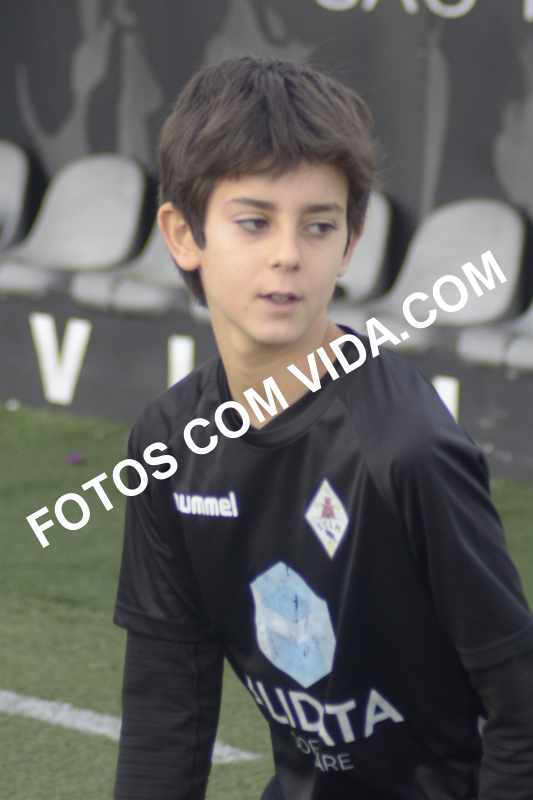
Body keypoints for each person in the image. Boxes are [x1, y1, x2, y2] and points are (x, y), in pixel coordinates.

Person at [112, 56, 533, 799]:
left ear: (349, 242)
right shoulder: (167, 443)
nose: (287, 254)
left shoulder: (407, 448)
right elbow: (165, 709)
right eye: (253, 222)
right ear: (182, 234)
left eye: (318, 225)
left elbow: (520, 707)